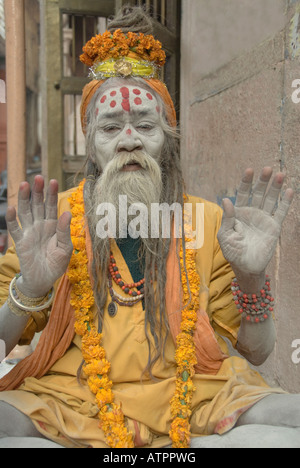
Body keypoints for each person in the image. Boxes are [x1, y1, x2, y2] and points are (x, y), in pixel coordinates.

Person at [0, 7, 299, 449]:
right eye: (110, 127)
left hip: (196, 395)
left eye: (144, 125)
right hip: (75, 399)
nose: (129, 139)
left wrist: (252, 277)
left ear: (168, 136)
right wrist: (30, 286)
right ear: (91, 141)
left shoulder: (209, 221)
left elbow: (257, 352)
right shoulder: (53, 223)